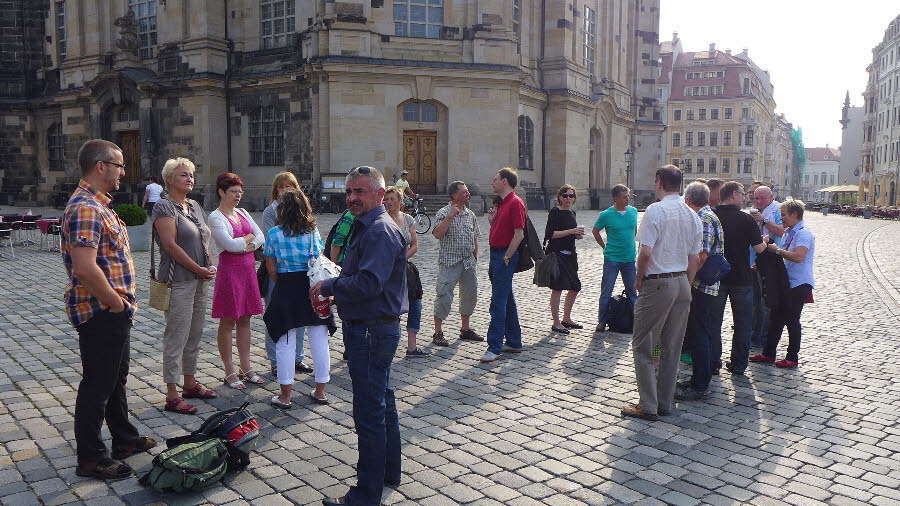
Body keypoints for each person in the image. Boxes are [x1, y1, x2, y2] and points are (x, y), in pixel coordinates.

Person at [310, 166, 407, 506]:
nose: (351, 197)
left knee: (369, 410)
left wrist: (329, 286)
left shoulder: (379, 230)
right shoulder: (366, 226)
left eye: (360, 192)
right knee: (383, 400)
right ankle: (389, 471)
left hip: (370, 330)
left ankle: (366, 495)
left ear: (380, 195)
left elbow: (368, 283)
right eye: (349, 191)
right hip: (372, 326)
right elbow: (365, 279)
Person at [63, 139, 155, 480]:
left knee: (115, 378)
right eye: (118, 165)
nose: (123, 171)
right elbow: (84, 268)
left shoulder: (99, 204)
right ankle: (91, 457)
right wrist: (115, 302)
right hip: (102, 310)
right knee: (98, 385)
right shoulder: (86, 207)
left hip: (114, 310)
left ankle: (125, 439)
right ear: (100, 167)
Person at [621, 165, 702, 421]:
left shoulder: (655, 211)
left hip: (659, 282)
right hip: (681, 283)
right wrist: (686, 285)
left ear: (658, 182)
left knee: (644, 345)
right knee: (671, 347)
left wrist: (639, 278)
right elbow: (694, 259)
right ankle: (665, 402)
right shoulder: (692, 215)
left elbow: (645, 253)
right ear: (679, 184)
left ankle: (648, 405)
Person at [151, 157, 217, 415]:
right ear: (169, 180)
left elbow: (204, 237)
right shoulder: (164, 207)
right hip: (178, 280)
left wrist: (209, 264)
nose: (190, 179)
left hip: (200, 279)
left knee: (195, 332)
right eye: (183, 175)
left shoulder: (194, 205)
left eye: (191, 174)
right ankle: (171, 393)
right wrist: (198, 268)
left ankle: (189, 383)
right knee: (176, 334)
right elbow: (170, 246)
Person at [264, 189, 335, 408]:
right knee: (319, 340)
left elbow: (272, 269)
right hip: (312, 286)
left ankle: (285, 396)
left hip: (286, 287)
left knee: (285, 342)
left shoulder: (274, 234)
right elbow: (319, 259)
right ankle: (321, 392)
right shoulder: (312, 231)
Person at [208, 173, 265, 389]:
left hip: (248, 271)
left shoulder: (242, 212)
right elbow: (230, 246)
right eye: (233, 191)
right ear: (222, 192)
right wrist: (249, 241)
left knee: (246, 318)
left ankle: (246, 366)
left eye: (240, 191)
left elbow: (261, 236)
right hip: (230, 273)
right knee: (228, 320)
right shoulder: (215, 217)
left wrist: (245, 243)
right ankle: (229, 369)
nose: (238, 195)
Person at [711, 181, 767, 376]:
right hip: (742, 278)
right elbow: (759, 249)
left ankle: (713, 361)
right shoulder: (746, 220)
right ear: (734, 195)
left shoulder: (712, 216)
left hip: (715, 277)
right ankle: (738, 364)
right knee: (743, 324)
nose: (745, 197)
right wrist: (765, 241)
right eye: (743, 194)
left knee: (713, 321)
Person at [676, 182, 724, 402]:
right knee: (700, 333)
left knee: (699, 335)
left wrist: (687, 281)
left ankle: (700, 385)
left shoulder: (702, 219)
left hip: (701, 286)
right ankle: (698, 379)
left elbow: (701, 256)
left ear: (688, 200)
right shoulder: (709, 215)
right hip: (707, 286)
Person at [751, 200, 815, 368]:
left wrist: (776, 250)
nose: (782, 218)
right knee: (776, 318)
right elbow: (783, 260)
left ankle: (792, 357)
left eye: (784, 215)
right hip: (787, 282)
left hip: (799, 283)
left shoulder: (803, 233)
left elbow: (799, 257)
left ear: (795, 214)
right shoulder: (788, 233)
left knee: (792, 320)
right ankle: (768, 353)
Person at [262, 172, 312, 376]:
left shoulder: (301, 211)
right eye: (280, 187)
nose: (284, 191)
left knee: (299, 317)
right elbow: (269, 244)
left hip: (300, 274)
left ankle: (297, 358)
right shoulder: (270, 212)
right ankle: (275, 360)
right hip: (278, 272)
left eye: (289, 186)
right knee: (276, 315)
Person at [481, 167, 526, 363]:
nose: (493, 182)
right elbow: (502, 230)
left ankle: (494, 347)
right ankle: (514, 341)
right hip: (496, 253)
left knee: (497, 303)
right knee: (506, 298)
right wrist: (492, 221)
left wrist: (507, 256)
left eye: (495, 179)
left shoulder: (515, 203)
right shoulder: (502, 203)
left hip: (503, 255)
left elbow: (519, 234)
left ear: (505, 181)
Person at [432, 180, 482, 346]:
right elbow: (438, 234)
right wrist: (450, 216)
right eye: (464, 192)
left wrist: (475, 255)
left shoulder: (471, 214)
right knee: (444, 295)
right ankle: (437, 332)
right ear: (454, 195)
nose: (467, 194)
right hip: (449, 262)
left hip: (468, 263)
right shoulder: (443, 212)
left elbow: (474, 236)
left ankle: (465, 329)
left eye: (467, 191)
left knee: (469, 296)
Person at [384, 186, 428, 357]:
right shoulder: (381, 219)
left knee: (416, 304)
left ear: (400, 201)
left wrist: (402, 259)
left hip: (406, 268)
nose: (388, 203)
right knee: (392, 307)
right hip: (387, 270)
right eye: (386, 200)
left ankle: (412, 346)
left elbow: (415, 244)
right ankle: (389, 344)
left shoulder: (408, 219)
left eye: (392, 199)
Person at [593, 184, 639, 333]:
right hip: (612, 258)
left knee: (632, 290)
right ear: (615, 198)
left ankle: (637, 320)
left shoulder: (633, 211)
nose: (628, 199)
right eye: (624, 197)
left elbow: (634, 231)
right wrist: (604, 246)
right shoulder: (606, 215)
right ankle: (602, 321)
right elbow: (595, 231)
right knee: (607, 290)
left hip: (629, 259)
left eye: (628, 196)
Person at [545, 184, 585, 334]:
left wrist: (577, 235)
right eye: (565, 195)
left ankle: (566, 318)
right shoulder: (555, 212)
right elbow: (550, 234)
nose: (568, 198)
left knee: (575, 287)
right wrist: (571, 231)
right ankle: (556, 323)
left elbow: (570, 233)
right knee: (557, 289)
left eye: (571, 196)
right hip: (557, 254)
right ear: (560, 197)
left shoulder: (572, 213)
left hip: (570, 255)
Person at [749, 185, 785, 347]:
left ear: (771, 197)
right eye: (756, 198)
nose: (758, 201)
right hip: (755, 259)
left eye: (762, 198)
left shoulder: (777, 210)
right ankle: (755, 332)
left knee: (767, 299)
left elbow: (782, 231)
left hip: (772, 259)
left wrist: (764, 220)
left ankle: (764, 335)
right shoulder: (753, 211)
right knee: (754, 299)